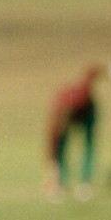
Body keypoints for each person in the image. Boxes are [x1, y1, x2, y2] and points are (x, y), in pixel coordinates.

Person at [45, 66, 101, 201]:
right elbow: (53, 144)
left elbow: (88, 80)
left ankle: (85, 182)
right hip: (72, 114)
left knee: (88, 145)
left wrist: (100, 71)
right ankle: (61, 183)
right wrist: (51, 171)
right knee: (61, 148)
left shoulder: (81, 97)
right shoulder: (58, 116)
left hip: (88, 113)